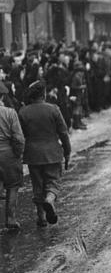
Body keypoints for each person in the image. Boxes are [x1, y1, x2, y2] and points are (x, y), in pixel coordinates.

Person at [19, 81, 71, 227]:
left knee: (37, 185)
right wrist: (67, 152)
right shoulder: (53, 109)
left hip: (33, 155)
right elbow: (63, 133)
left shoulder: (23, 112)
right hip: (52, 153)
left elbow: (20, 135)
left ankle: (41, 217)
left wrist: (19, 154)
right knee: (52, 182)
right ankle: (49, 199)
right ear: (44, 94)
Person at [0, 89, 25, 230]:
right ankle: (10, 219)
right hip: (7, 153)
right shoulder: (10, 112)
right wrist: (18, 153)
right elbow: (18, 137)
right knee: (13, 186)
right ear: (2, 96)